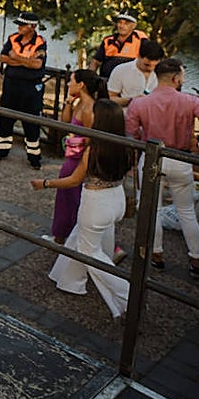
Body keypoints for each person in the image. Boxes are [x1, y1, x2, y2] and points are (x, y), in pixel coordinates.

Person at [126, 58, 199, 278]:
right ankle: (196, 260)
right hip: (181, 159)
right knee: (186, 211)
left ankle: (157, 256)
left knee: (153, 210)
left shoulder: (140, 103)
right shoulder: (189, 101)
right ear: (176, 78)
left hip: (151, 158)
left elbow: (130, 136)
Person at [41, 100, 135, 320]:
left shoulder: (93, 149)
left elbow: (74, 180)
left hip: (96, 203)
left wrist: (45, 183)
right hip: (117, 198)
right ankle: (69, 279)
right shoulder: (127, 145)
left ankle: (129, 295)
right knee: (88, 238)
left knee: (90, 253)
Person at [42, 70, 107, 245]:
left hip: (79, 160)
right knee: (66, 200)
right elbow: (65, 123)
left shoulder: (90, 110)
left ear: (81, 85)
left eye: (71, 81)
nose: (68, 84)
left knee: (72, 200)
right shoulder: (79, 104)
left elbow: (93, 139)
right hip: (72, 158)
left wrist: (76, 142)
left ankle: (66, 237)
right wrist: (69, 102)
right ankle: (61, 236)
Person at [0, 11, 48, 169]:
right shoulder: (12, 38)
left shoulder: (40, 42)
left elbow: (37, 65)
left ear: (32, 27)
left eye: (23, 25)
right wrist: (26, 61)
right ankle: (1, 151)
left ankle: (34, 156)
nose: (19, 27)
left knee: (31, 122)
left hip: (30, 88)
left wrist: (15, 58)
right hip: (11, 85)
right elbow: (3, 57)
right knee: (5, 118)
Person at [90, 11, 149, 78]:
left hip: (129, 82)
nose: (122, 26)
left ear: (133, 26)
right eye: (120, 22)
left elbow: (149, 62)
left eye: (126, 23)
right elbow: (95, 61)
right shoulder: (108, 40)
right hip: (106, 81)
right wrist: (90, 79)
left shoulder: (140, 40)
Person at [107, 40, 164, 106]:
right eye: (146, 65)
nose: (151, 68)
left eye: (155, 65)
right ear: (139, 56)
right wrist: (131, 100)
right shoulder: (121, 70)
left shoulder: (163, 72)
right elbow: (110, 98)